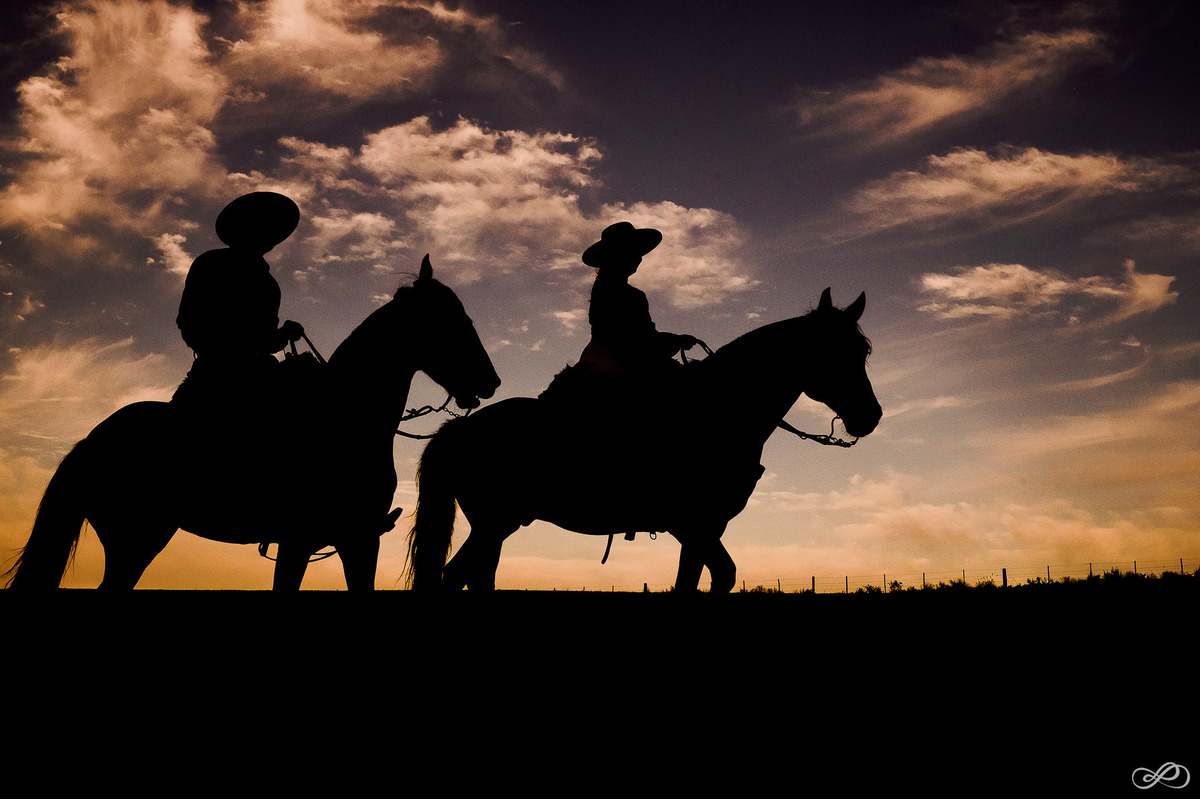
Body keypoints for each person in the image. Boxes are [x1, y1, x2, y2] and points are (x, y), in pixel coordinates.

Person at [172, 192, 307, 409]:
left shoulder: (270, 285)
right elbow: (189, 321)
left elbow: (268, 340)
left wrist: (284, 333)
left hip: (257, 371)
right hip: (214, 375)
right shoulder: (211, 264)